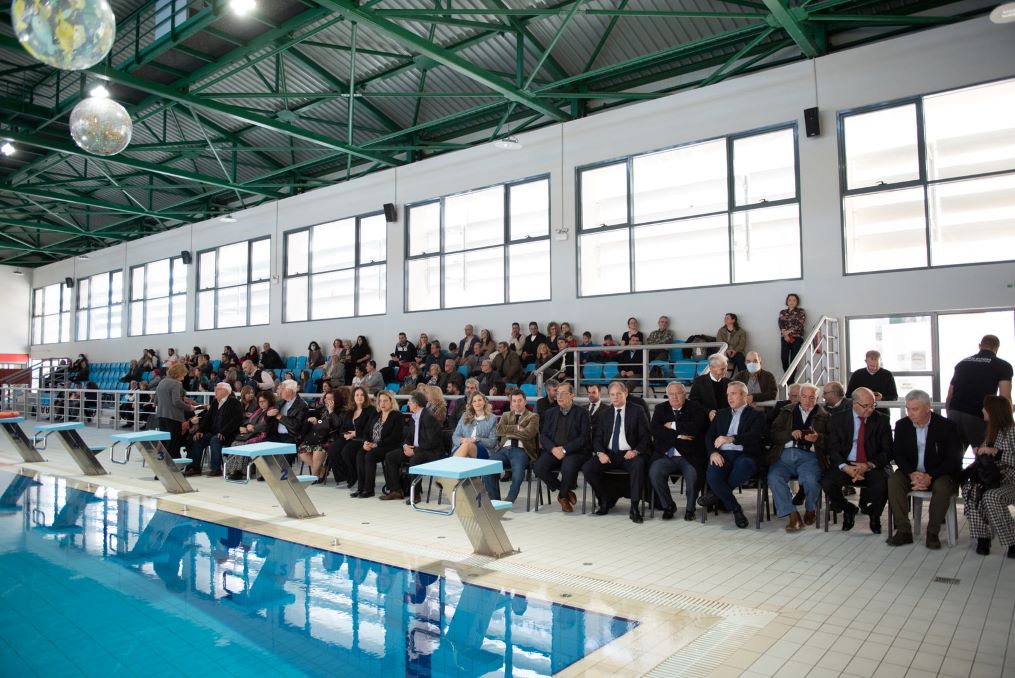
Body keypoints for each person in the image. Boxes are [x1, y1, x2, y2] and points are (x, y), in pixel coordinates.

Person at [886, 390, 963, 549]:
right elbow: (898, 454)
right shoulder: (902, 425)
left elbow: (953, 459)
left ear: (928, 407)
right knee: (894, 481)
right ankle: (904, 530)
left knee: (942, 487)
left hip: (939, 473)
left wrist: (930, 476)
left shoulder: (947, 426)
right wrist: (911, 473)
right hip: (912, 472)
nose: (910, 413)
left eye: (915, 409)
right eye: (908, 409)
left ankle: (932, 533)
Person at [820, 387, 892, 533]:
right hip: (847, 464)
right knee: (827, 482)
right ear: (854, 403)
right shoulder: (838, 419)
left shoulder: (882, 420)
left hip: (872, 465)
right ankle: (848, 508)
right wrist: (844, 467)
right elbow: (832, 448)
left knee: (885, 483)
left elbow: (888, 451)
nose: (870, 409)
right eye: (866, 406)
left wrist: (868, 465)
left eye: (873, 405)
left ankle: (874, 514)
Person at [700, 382, 767, 528]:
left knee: (745, 465)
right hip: (722, 454)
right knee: (713, 476)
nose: (729, 398)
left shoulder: (757, 415)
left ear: (744, 395)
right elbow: (709, 436)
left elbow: (755, 436)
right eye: (728, 394)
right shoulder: (721, 414)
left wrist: (731, 438)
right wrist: (713, 453)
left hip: (745, 454)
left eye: (734, 394)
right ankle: (736, 509)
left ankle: (716, 495)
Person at [583, 381, 652, 523]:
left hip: (630, 454)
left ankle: (634, 508)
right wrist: (600, 453)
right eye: (612, 394)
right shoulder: (605, 413)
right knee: (588, 468)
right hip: (609, 454)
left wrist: (635, 451)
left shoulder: (637, 410)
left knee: (638, 466)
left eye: (618, 394)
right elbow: (597, 438)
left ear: (625, 393)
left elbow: (646, 436)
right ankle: (604, 500)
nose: (615, 397)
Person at [767, 383, 830, 531]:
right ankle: (792, 515)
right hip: (785, 455)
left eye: (811, 397)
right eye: (804, 397)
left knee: (810, 480)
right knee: (774, 478)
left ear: (817, 399)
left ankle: (810, 508)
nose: (807, 401)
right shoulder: (786, 411)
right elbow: (773, 434)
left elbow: (832, 442)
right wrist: (789, 434)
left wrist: (818, 438)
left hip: (810, 456)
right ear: (799, 397)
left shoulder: (825, 416)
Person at [649, 381, 709, 521]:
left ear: (685, 394)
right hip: (666, 455)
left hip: (689, 456)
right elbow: (655, 430)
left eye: (678, 393)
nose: (674, 397)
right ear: (667, 395)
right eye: (671, 394)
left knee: (693, 476)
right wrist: (678, 436)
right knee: (654, 472)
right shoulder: (660, 408)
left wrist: (673, 425)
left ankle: (690, 509)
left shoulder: (695, 407)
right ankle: (668, 506)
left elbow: (695, 429)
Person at [964, 395, 1015, 558]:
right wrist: (980, 453)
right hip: (995, 480)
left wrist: (996, 453)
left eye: (985, 408)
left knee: (991, 496)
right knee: (970, 490)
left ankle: (1012, 541)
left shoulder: (1012, 432)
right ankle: (982, 537)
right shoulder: (991, 432)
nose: (982, 410)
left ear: (993, 411)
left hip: (1011, 482)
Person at [946, 334, 1013, 451]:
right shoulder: (1003, 366)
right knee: (984, 455)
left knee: (954, 456)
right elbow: (1005, 398)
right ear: (996, 348)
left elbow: (950, 395)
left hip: (954, 413)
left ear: (980, 346)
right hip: (978, 416)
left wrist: (950, 414)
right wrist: (1007, 424)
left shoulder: (962, 364)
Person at [532, 383, 591, 513]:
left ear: (572, 395)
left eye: (563, 393)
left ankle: (562, 497)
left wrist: (564, 450)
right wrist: (553, 449)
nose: (559, 396)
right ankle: (565, 492)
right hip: (554, 450)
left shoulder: (582, 413)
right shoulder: (550, 413)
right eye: (558, 393)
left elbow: (583, 438)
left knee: (568, 466)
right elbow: (544, 436)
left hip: (575, 451)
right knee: (538, 467)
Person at [380, 391, 443, 501]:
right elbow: (409, 436)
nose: (407, 404)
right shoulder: (414, 416)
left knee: (415, 459)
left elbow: (433, 441)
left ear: (416, 404)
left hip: (430, 451)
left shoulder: (428, 417)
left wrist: (415, 451)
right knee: (390, 456)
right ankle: (396, 490)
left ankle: (415, 495)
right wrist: (405, 446)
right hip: (416, 449)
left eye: (409, 402)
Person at [486, 391, 540, 503]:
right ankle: (495, 501)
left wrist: (508, 432)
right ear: (511, 403)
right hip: (504, 450)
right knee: (488, 467)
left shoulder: (533, 416)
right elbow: (498, 430)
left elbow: (529, 434)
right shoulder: (506, 415)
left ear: (525, 401)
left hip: (521, 450)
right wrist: (518, 428)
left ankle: (510, 498)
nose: (517, 403)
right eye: (514, 401)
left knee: (518, 471)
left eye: (520, 400)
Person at [353, 391, 405, 498]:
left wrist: (376, 445)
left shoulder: (397, 416)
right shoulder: (376, 414)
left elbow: (395, 437)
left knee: (370, 456)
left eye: (385, 401)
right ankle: (361, 488)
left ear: (391, 401)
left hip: (389, 446)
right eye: (380, 401)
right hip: (373, 445)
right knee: (360, 454)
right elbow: (366, 431)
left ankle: (369, 490)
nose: (382, 403)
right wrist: (366, 442)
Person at [184, 382, 243, 477]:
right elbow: (207, 418)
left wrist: (224, 432)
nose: (215, 391)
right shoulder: (215, 402)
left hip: (228, 434)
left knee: (215, 440)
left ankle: (216, 469)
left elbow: (237, 420)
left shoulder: (234, 402)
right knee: (198, 438)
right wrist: (200, 431)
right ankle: (195, 467)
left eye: (218, 389)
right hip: (214, 432)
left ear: (225, 391)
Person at [328, 387, 376, 489]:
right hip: (349, 437)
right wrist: (345, 434)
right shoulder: (350, 411)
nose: (359, 397)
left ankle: (353, 475)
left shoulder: (370, 410)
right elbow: (343, 427)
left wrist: (356, 433)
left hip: (362, 438)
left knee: (346, 452)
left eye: (362, 395)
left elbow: (370, 428)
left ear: (365, 397)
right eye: (357, 395)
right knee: (333, 450)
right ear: (353, 397)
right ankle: (344, 476)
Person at [155, 364, 197, 459]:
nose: (183, 378)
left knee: (165, 443)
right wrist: (189, 407)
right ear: (178, 373)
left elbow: (156, 401)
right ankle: (173, 465)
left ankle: (163, 464)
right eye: (183, 375)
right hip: (173, 417)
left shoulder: (161, 382)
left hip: (161, 416)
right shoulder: (176, 384)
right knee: (173, 444)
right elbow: (176, 401)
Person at [299, 391, 341, 482]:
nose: (326, 400)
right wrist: (311, 419)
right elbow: (309, 416)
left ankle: (314, 477)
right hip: (316, 436)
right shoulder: (321, 408)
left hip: (330, 438)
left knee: (318, 450)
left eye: (330, 399)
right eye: (326, 398)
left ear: (335, 400)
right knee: (302, 451)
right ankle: (322, 471)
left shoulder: (339, 410)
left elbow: (337, 424)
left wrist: (331, 411)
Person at [451, 393, 498, 458]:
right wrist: (462, 441)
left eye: (479, 400)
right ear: (471, 404)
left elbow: (492, 442)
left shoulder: (492, 418)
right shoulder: (465, 416)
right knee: (466, 450)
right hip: (461, 447)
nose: (477, 403)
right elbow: (455, 436)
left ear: (484, 402)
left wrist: (476, 439)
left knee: (467, 445)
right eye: (474, 401)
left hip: (483, 450)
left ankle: (451, 463)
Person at [689, 353, 731, 421]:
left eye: (726, 367)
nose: (726, 371)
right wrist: (708, 412)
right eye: (723, 369)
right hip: (705, 420)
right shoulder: (699, 381)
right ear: (711, 368)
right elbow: (693, 402)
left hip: (725, 420)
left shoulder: (729, 382)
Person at [778, 293, 806, 374]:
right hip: (785, 338)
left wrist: (788, 332)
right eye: (790, 300)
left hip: (797, 338)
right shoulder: (783, 312)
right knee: (784, 358)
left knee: (794, 360)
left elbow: (800, 324)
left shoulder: (801, 311)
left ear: (797, 302)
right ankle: (787, 376)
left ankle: (791, 379)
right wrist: (785, 334)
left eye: (794, 300)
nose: (792, 302)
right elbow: (781, 324)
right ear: (787, 301)